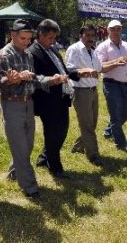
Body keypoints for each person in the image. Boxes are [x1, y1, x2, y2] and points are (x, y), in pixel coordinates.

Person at [0, 19, 57, 197]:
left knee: (27, 144)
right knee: (21, 147)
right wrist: (14, 79)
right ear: (12, 35)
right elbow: (2, 82)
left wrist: (50, 80)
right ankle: (30, 186)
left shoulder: (27, 54)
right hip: (12, 104)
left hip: (28, 103)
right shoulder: (5, 55)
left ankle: (14, 172)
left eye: (29, 39)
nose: (27, 43)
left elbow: (33, 79)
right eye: (23, 39)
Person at [29, 19, 80, 179]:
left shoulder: (51, 50)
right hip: (47, 100)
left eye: (55, 37)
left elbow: (60, 70)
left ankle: (44, 157)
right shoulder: (33, 52)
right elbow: (36, 77)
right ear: (41, 35)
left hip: (60, 98)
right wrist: (53, 79)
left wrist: (75, 74)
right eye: (51, 37)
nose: (54, 41)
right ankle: (55, 166)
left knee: (61, 131)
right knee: (54, 133)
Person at [95, 19, 127, 150]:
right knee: (116, 115)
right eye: (113, 29)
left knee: (124, 114)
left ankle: (109, 131)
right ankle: (120, 143)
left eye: (118, 29)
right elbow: (99, 67)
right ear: (108, 30)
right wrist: (116, 63)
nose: (116, 31)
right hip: (111, 84)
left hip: (126, 84)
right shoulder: (103, 46)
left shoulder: (126, 45)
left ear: (121, 30)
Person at [65, 24, 104, 166]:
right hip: (80, 91)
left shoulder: (92, 51)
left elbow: (100, 68)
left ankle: (78, 146)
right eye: (87, 35)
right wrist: (86, 71)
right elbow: (69, 70)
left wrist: (117, 63)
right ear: (80, 35)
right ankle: (93, 155)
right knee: (87, 124)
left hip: (93, 90)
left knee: (92, 123)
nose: (90, 38)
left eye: (93, 35)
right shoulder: (74, 49)